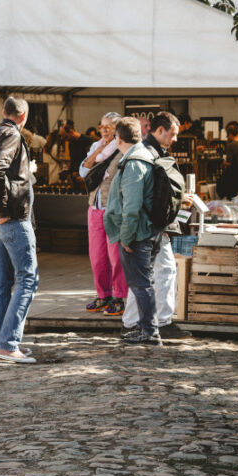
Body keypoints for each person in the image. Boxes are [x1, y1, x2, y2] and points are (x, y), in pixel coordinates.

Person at [0, 97, 40, 364]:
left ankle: (3, 342)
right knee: (27, 279)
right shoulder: (11, 134)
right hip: (10, 219)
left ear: (4, 112)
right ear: (23, 116)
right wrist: (3, 210)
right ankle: (7, 344)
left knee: (1, 283)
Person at [120, 112, 189, 338]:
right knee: (152, 275)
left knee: (154, 274)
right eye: (173, 134)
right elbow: (133, 200)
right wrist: (128, 234)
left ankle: (141, 322)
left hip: (154, 225)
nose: (175, 139)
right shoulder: (143, 155)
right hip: (147, 227)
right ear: (160, 130)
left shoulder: (152, 151)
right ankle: (148, 322)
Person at [104, 116, 162, 346]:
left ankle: (149, 331)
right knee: (143, 283)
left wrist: (126, 238)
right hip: (146, 230)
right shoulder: (143, 155)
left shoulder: (134, 162)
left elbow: (131, 207)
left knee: (141, 284)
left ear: (118, 139)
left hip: (138, 234)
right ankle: (146, 327)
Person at [80, 112, 128, 314]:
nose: (104, 130)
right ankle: (103, 294)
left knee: (115, 256)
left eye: (109, 126)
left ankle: (119, 296)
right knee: (97, 256)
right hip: (95, 206)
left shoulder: (123, 148)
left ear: (118, 129)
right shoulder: (96, 147)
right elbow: (83, 171)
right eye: (102, 126)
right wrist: (98, 151)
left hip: (114, 207)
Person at [216, 120, 238, 200]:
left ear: (229, 134)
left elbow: (229, 163)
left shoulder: (231, 145)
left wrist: (223, 163)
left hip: (233, 177)